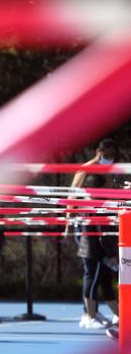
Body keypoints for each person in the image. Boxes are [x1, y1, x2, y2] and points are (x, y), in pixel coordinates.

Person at [66, 139, 120, 330]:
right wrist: (69, 224)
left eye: (112, 155)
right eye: (106, 154)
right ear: (99, 152)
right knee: (93, 269)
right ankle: (88, 314)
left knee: (103, 273)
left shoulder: (113, 170)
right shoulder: (88, 169)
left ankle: (99, 312)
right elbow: (72, 196)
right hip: (88, 227)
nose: (109, 158)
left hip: (103, 228)